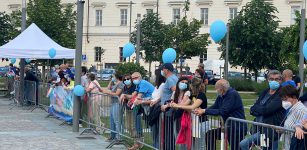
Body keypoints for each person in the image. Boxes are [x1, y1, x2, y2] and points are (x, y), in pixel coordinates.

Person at [195, 79, 247, 150]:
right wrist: (202, 112)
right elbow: (215, 106)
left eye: (216, 89)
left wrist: (204, 111)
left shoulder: (232, 94)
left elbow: (223, 111)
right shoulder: (221, 96)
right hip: (228, 127)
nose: (216, 90)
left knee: (235, 147)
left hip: (237, 127)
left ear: (221, 89)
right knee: (210, 134)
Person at [240, 70, 286, 150]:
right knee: (245, 144)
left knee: (244, 143)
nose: (274, 81)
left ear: (281, 80)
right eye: (271, 79)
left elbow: (267, 110)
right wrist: (257, 109)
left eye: (276, 79)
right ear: (268, 80)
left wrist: (258, 109)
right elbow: (253, 108)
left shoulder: (281, 93)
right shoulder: (265, 92)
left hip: (271, 130)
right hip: (259, 128)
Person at [171, 77, 209, 149]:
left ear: (193, 86)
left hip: (202, 122)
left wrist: (177, 105)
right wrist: (175, 105)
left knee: (200, 146)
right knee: (193, 145)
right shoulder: (192, 95)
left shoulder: (201, 95)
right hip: (195, 123)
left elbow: (192, 107)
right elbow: (184, 105)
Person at [122, 72, 155, 150]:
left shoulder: (143, 83)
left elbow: (139, 96)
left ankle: (140, 143)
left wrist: (132, 103)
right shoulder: (138, 84)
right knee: (135, 126)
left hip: (152, 105)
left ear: (140, 77)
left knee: (151, 128)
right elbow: (134, 95)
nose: (134, 79)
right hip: (146, 105)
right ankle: (137, 144)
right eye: (132, 78)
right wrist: (128, 98)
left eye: (135, 78)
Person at [279, 85, 307, 150]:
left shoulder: (300, 110)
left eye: (285, 99)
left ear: (294, 97)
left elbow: (302, 126)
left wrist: (298, 127)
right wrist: (283, 129)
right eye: (282, 100)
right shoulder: (292, 109)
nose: (284, 102)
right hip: (288, 146)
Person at [160, 63, 178, 150]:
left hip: (168, 109)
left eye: (163, 69)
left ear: (166, 70)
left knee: (168, 131)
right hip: (169, 108)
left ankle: (169, 147)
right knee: (169, 131)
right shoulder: (174, 77)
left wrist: (167, 104)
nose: (162, 71)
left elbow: (175, 92)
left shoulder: (170, 79)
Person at [103, 73, 124, 142]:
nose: (112, 78)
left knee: (117, 121)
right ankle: (113, 136)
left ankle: (118, 137)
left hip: (117, 103)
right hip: (113, 103)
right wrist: (111, 81)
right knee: (112, 120)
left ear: (116, 77)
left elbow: (117, 94)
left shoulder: (120, 84)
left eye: (113, 77)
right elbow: (108, 88)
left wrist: (108, 93)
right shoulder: (115, 84)